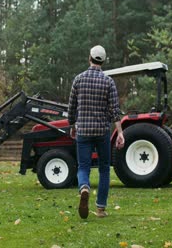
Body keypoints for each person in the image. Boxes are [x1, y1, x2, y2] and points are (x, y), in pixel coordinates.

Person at [68, 45, 125, 219]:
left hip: (83, 130)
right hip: (102, 131)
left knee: (84, 166)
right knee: (104, 169)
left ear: (89, 58)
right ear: (103, 61)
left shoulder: (78, 79)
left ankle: (84, 187)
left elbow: (72, 107)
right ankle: (100, 209)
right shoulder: (108, 81)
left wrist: (72, 125)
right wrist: (120, 132)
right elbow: (115, 110)